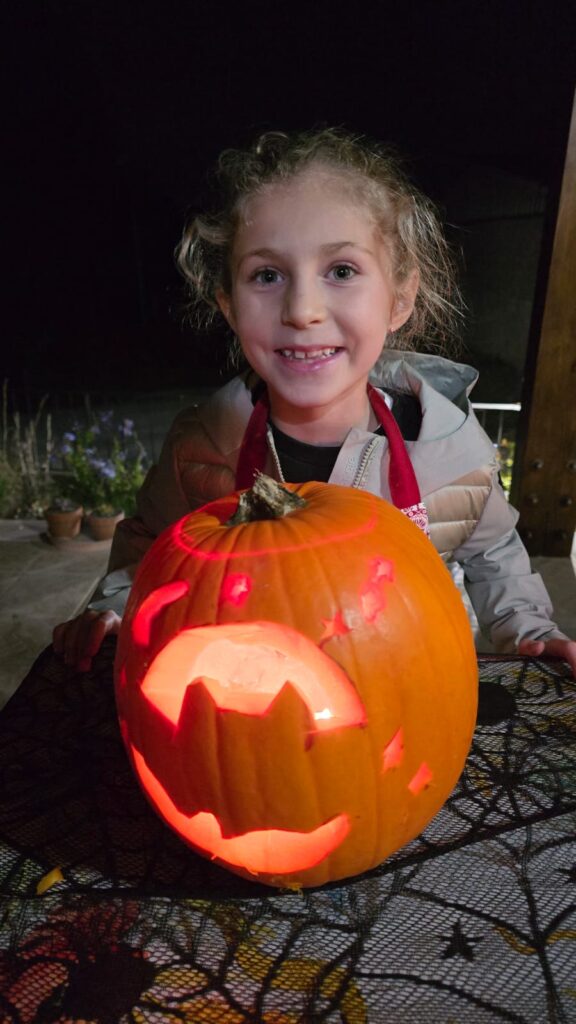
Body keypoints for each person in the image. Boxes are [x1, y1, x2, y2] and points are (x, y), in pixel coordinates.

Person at [52, 127, 576, 675]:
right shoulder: (201, 450)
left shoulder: (453, 457)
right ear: (229, 305)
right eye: (267, 275)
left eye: (341, 271)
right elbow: (151, 548)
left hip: (412, 686)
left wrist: (530, 632)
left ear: (399, 299)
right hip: (254, 690)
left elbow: (494, 556)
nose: (303, 310)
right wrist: (117, 609)